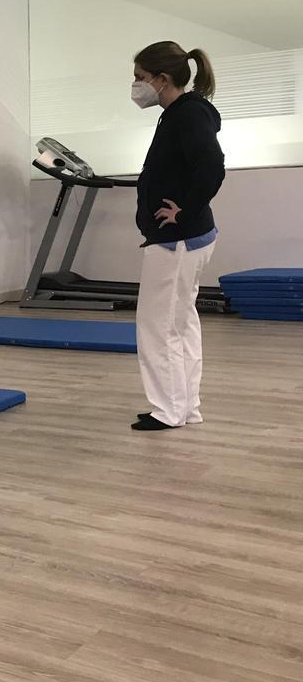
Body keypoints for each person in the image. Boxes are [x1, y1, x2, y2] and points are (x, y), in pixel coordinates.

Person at [129, 41, 225, 431]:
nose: (135, 85)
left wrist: (182, 210)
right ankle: (184, 407)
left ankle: (168, 411)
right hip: (184, 239)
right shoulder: (179, 113)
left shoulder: (187, 115)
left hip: (178, 241)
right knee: (180, 324)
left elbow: (213, 167)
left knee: (158, 327)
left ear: (162, 79)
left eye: (139, 78)